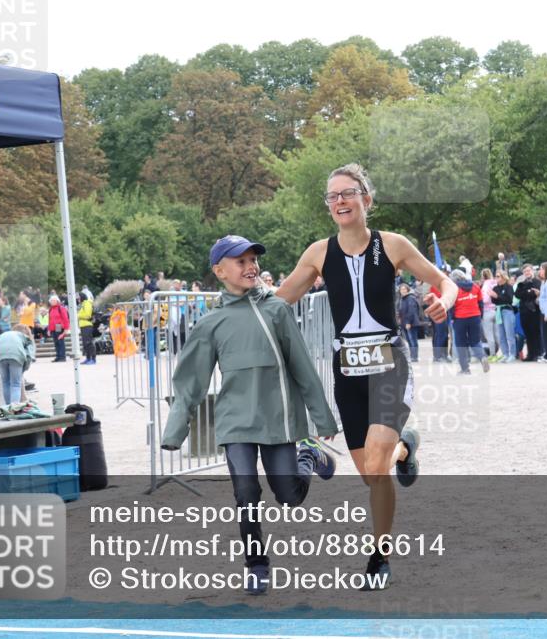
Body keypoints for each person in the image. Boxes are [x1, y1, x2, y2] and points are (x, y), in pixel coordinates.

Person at [276, 163, 457, 589]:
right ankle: (406, 446)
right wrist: (239, 305)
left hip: (389, 364)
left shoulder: (391, 245)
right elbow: (282, 299)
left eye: (348, 193)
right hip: (348, 374)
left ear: (366, 199)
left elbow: (443, 280)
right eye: (332, 196)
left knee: (376, 462)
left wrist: (444, 301)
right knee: (372, 475)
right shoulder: (318, 253)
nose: (339, 201)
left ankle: (379, 556)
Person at [161, 235, 338, 596]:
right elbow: (190, 381)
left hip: (279, 420)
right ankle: (256, 564)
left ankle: (309, 456)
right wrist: (176, 430)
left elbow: (303, 367)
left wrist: (322, 419)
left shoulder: (277, 310)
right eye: (240, 261)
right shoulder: (211, 324)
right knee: (245, 492)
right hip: (235, 423)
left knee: (288, 496)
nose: (250, 266)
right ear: (219, 271)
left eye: (252, 259)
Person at [449, 269, 488, 375]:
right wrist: (480, 316)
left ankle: (465, 369)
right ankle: (482, 357)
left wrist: (452, 318)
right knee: (475, 341)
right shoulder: (475, 286)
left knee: (460, 344)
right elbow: (480, 303)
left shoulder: (454, 289)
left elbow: (451, 306)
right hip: (475, 317)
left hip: (460, 318)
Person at [0, 324, 36, 404]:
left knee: (5, 383)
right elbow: (29, 355)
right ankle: (15, 407)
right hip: (16, 357)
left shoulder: (3, 335)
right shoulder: (24, 337)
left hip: (0, 357)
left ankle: (8, 407)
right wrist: (24, 368)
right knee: (15, 384)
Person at [514, 264, 541, 362]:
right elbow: (517, 294)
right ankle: (530, 354)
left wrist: (527, 293)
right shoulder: (522, 283)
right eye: (525, 271)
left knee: (535, 333)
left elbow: (535, 293)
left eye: (528, 270)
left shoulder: (537, 282)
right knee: (528, 334)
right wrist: (528, 292)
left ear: (532, 271)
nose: (527, 273)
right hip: (524, 311)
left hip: (534, 311)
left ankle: (538, 353)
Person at [492, 271, 516, 362]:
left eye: (498, 276)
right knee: (501, 335)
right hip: (498, 311)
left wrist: (497, 297)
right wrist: (496, 297)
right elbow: (493, 301)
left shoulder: (509, 287)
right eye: (495, 276)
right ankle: (505, 354)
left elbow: (509, 299)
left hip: (507, 311)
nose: (496, 278)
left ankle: (512, 354)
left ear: (503, 277)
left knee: (509, 334)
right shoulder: (495, 288)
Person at [397, 283, 421, 362]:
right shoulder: (402, 299)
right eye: (401, 289)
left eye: (404, 289)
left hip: (411, 323)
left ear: (407, 289)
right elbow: (401, 311)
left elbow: (411, 311)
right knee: (409, 340)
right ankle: (412, 356)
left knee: (413, 340)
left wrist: (408, 322)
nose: (403, 291)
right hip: (404, 323)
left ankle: (415, 357)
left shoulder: (410, 298)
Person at [479, 268, 498, 358]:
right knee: (497, 334)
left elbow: (486, 299)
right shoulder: (495, 283)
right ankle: (499, 352)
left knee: (489, 335)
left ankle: (492, 353)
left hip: (487, 311)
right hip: (496, 310)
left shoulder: (485, 285)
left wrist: (480, 300)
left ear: (483, 276)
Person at [47, 294, 70, 362]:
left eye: (53, 300)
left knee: (60, 342)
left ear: (57, 301)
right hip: (53, 327)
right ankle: (58, 356)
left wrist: (66, 328)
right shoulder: (50, 309)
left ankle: (62, 357)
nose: (51, 302)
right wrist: (49, 329)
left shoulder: (61, 308)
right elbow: (50, 320)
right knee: (56, 342)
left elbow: (65, 318)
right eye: (51, 301)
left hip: (58, 326)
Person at [77, 292, 96, 365]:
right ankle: (88, 358)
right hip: (83, 325)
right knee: (85, 344)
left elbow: (87, 315)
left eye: (79, 298)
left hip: (87, 325)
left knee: (89, 343)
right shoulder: (83, 304)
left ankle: (93, 359)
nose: (78, 299)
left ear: (82, 297)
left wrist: (78, 315)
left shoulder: (87, 303)